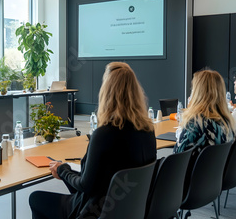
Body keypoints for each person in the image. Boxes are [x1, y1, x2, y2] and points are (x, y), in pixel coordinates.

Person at [29, 62, 157, 219]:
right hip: (130, 210)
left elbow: (85, 185)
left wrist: (63, 170)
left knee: (36, 198)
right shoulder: (148, 130)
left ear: (106, 93)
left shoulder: (103, 134)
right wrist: (66, 173)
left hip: (96, 211)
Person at [174, 69, 235, 153]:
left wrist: (180, 133)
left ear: (197, 93)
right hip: (215, 166)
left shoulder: (195, 123)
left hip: (193, 166)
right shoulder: (227, 121)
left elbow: (178, 155)